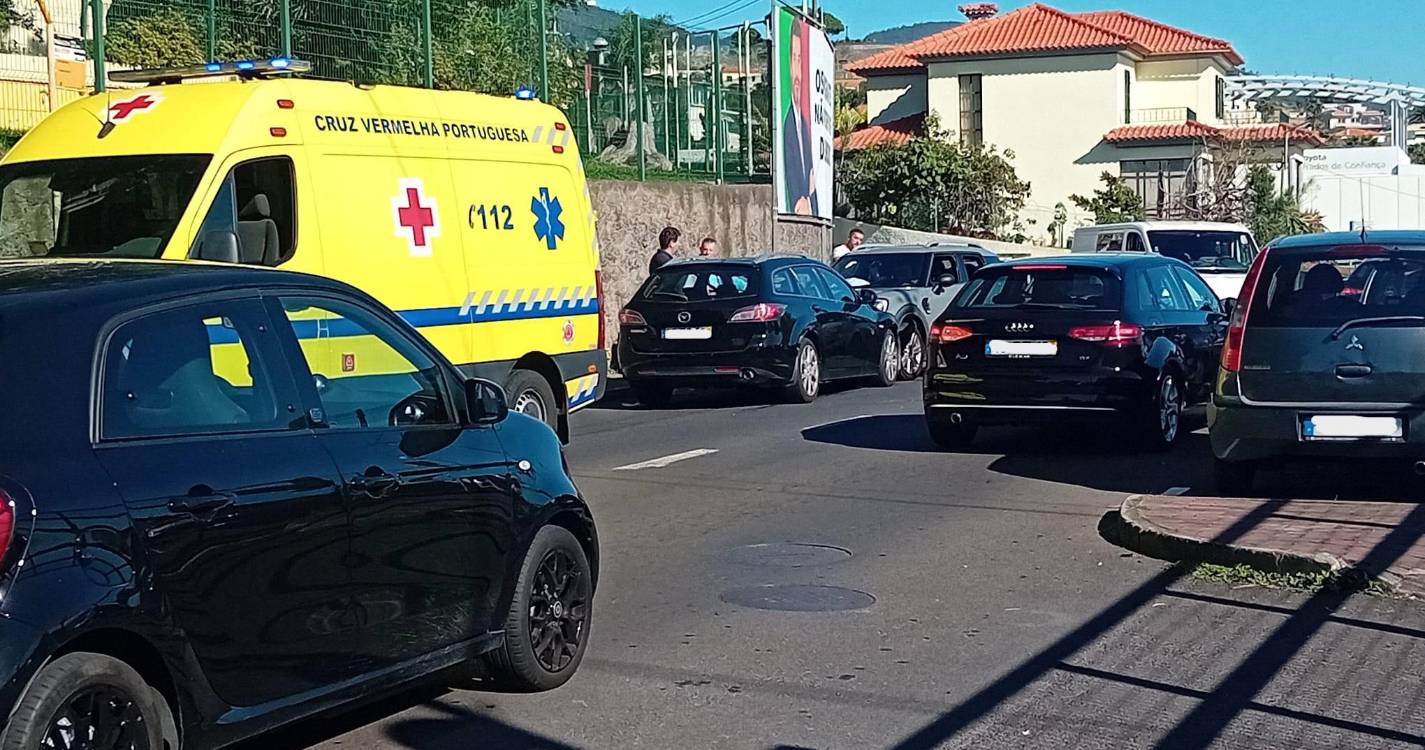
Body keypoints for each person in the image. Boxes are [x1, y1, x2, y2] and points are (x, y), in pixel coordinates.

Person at [781, 22, 818, 217]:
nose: (797, 71)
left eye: (799, 59)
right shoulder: (786, 126)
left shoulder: (803, 123)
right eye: (793, 59)